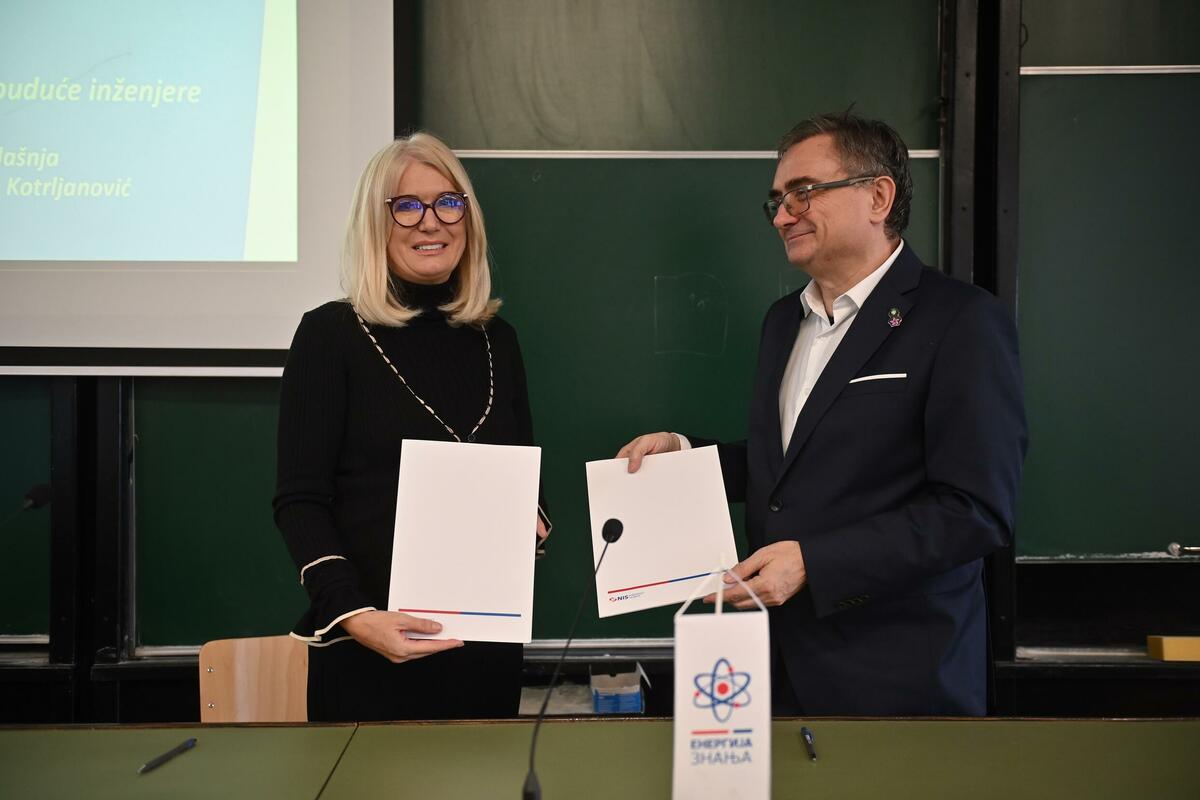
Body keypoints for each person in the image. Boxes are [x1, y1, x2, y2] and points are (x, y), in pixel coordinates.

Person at [618, 113, 1026, 716]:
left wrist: (815, 563)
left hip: (899, 678)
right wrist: (684, 455)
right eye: (777, 200)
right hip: (773, 672)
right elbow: (789, 471)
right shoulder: (783, 322)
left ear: (878, 197)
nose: (782, 216)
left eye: (803, 192)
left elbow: (975, 511)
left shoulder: (961, 320)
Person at [274, 132, 550, 721]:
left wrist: (530, 519)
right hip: (367, 657)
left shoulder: (498, 341)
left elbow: (527, 479)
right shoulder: (330, 336)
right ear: (376, 223)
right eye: (407, 205)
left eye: (449, 203)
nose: (431, 222)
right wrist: (354, 616)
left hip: (485, 656)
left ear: (468, 219)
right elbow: (300, 501)